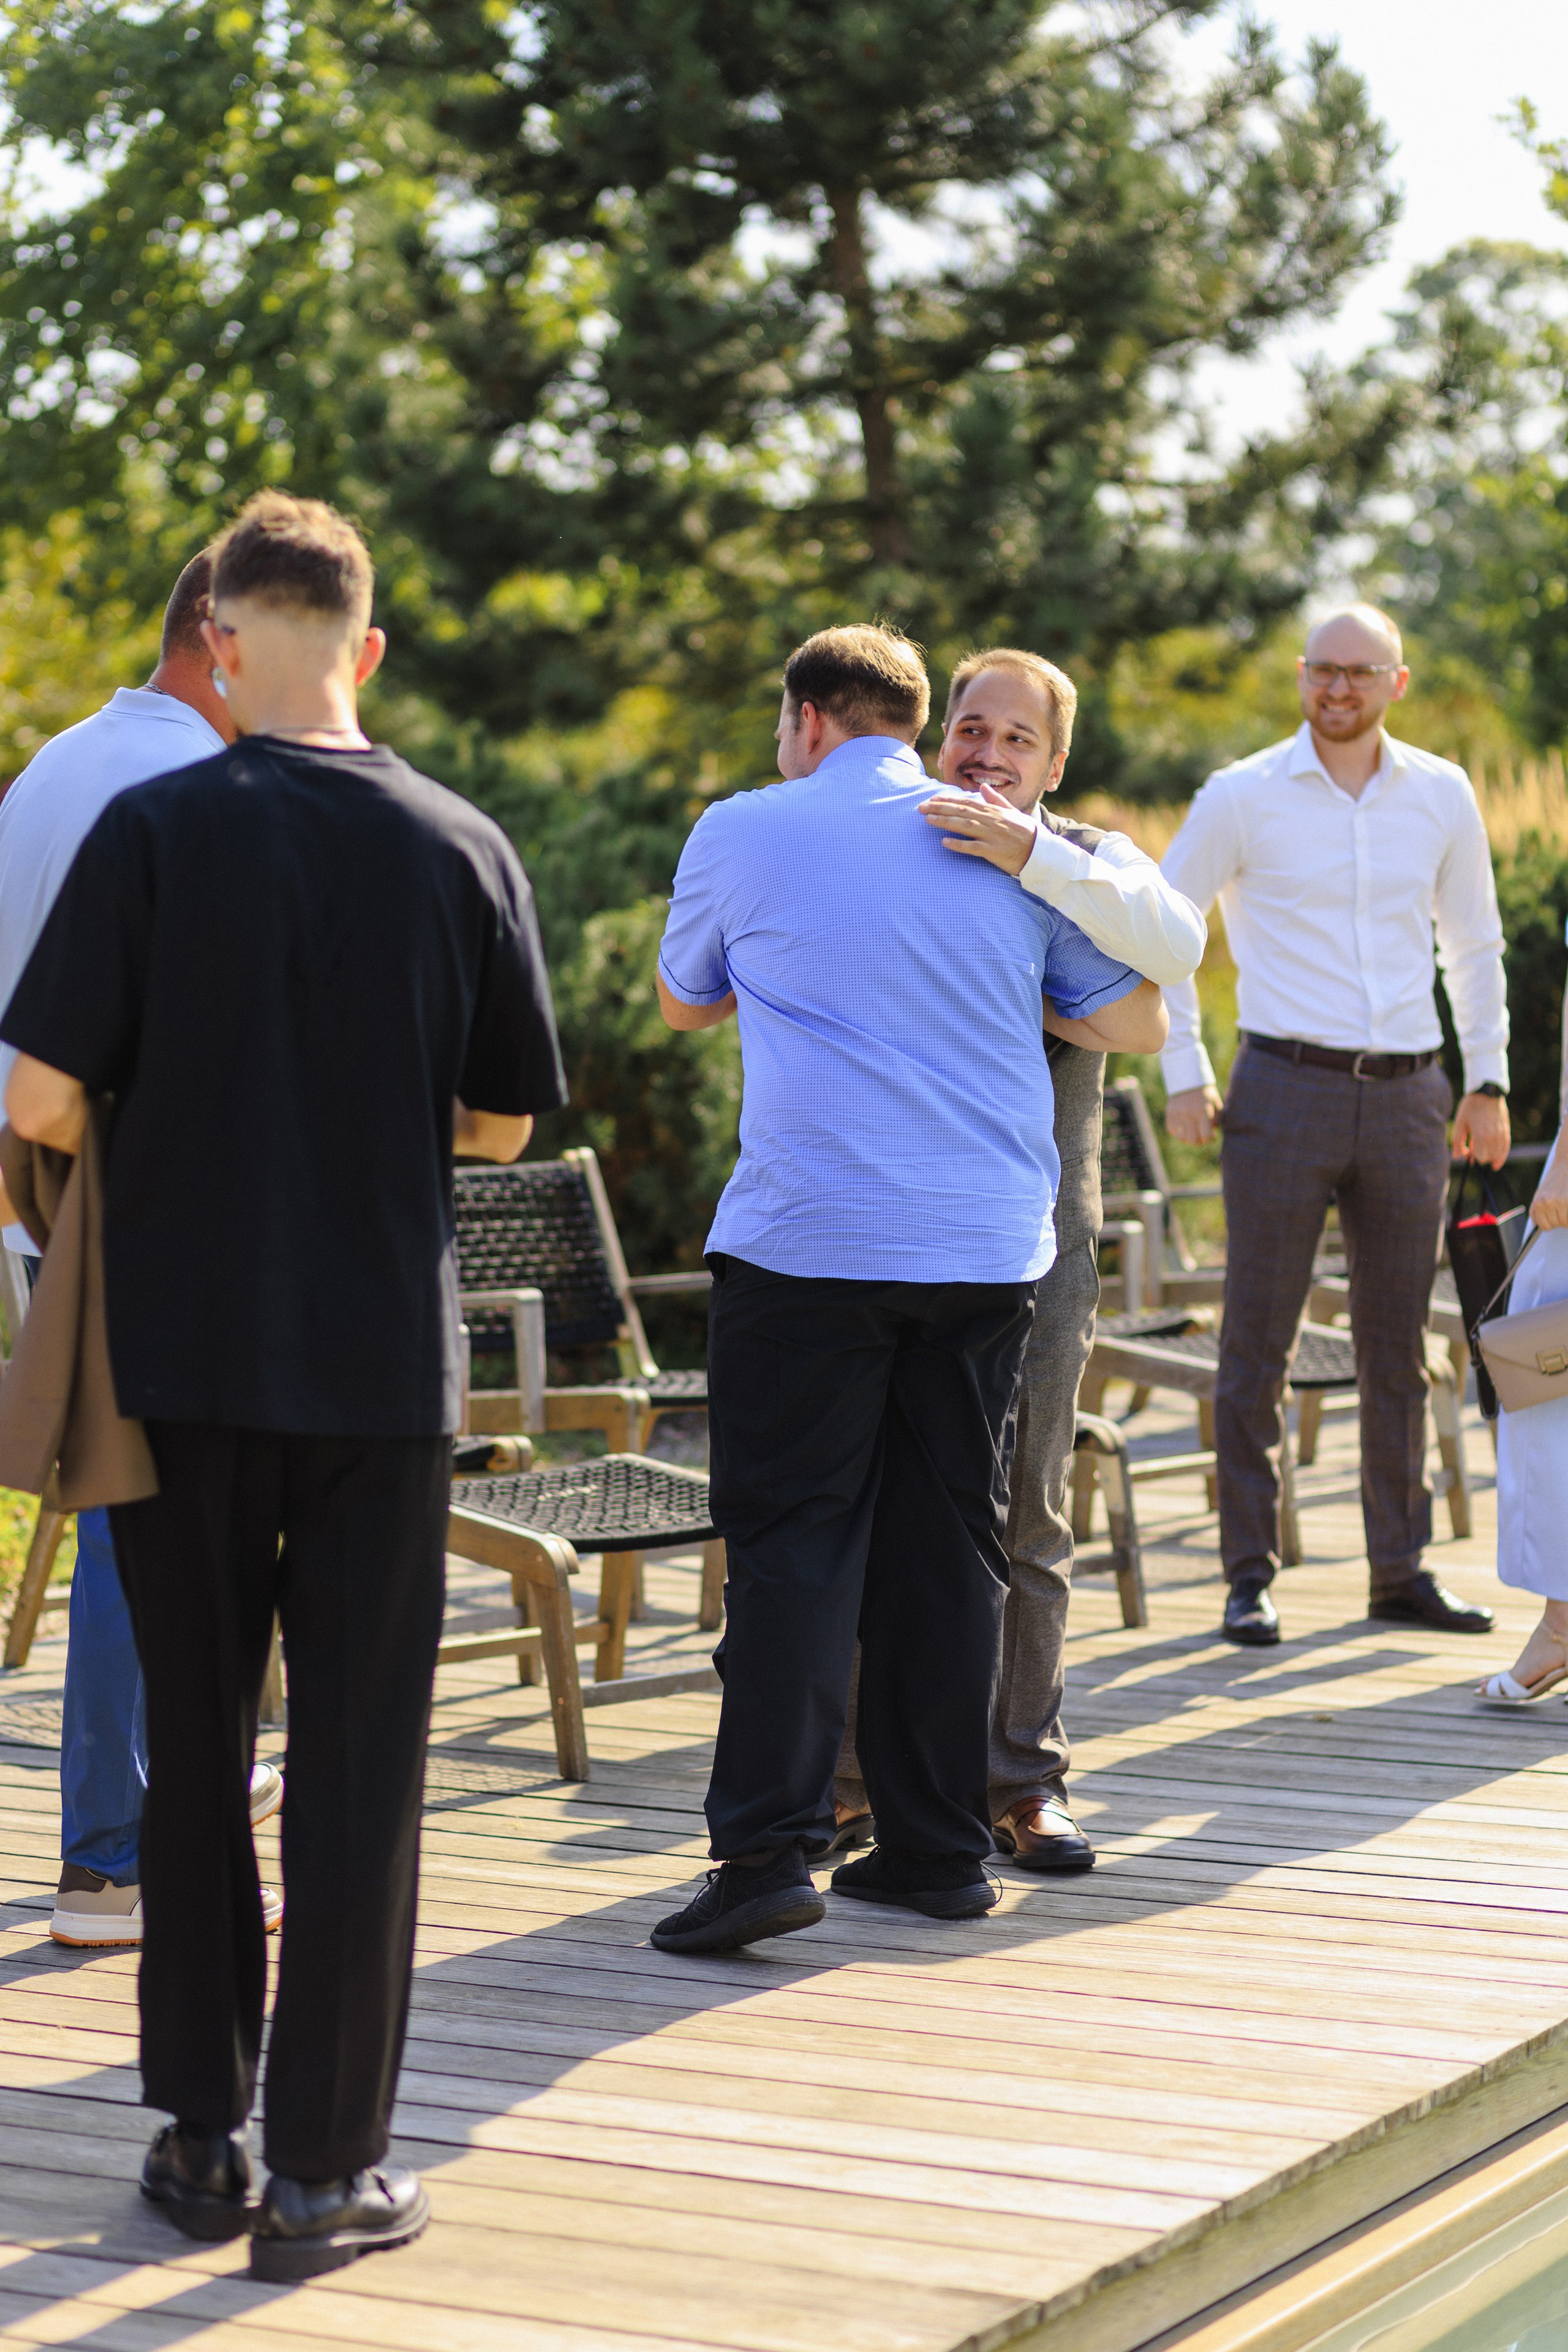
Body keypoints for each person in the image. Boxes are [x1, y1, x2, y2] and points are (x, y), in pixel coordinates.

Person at [0, 492, 565, 2278]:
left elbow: (37, 1098)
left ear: (223, 642)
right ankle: (323, 2177)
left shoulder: (155, 827)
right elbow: (500, 1122)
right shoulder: (462, 845)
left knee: (192, 1752)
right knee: (359, 1770)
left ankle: (196, 2139)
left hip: (179, 1360)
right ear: (368, 647)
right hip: (378, 1368)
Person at [650, 624, 1167, 1956]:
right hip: (983, 1252)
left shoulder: (744, 827)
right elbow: (1135, 1020)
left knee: (793, 1549)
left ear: (808, 719)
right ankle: (938, 1852)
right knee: (949, 1549)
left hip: (808, 1245)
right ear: (916, 722)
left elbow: (684, 1002)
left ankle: (767, 1856)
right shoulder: (1005, 848)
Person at [829, 647, 1206, 1870]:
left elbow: (1176, 955)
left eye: (1015, 739)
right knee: (877, 1504)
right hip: (891, 1231)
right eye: (969, 729)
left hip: (1041, 1243)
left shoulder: (1093, 861)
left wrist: (1034, 866)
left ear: (1055, 763)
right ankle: (849, 1778)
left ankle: (1023, 1780)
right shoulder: (892, 843)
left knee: (1030, 1508)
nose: (985, 755)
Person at [0, 554, 284, 1948]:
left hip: (43, 1200)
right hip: (142, 1205)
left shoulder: (56, 763)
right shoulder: (191, 789)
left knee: (138, 1514)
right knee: (151, 1526)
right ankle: (112, 1858)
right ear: (221, 643)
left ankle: (162, 1796)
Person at [1159, 603, 1509, 1647]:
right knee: (1256, 1341)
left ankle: (1398, 1573)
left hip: (1411, 1097)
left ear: (1398, 681)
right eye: (1323, 669)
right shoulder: (1241, 793)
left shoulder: (1442, 792)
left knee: (1398, 1348)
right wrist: (1185, 1069)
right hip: (1282, 1089)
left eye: (1360, 671)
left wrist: (1487, 1080)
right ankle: (1248, 1576)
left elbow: (1475, 944)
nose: (1339, 688)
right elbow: (1162, 929)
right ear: (1302, 675)